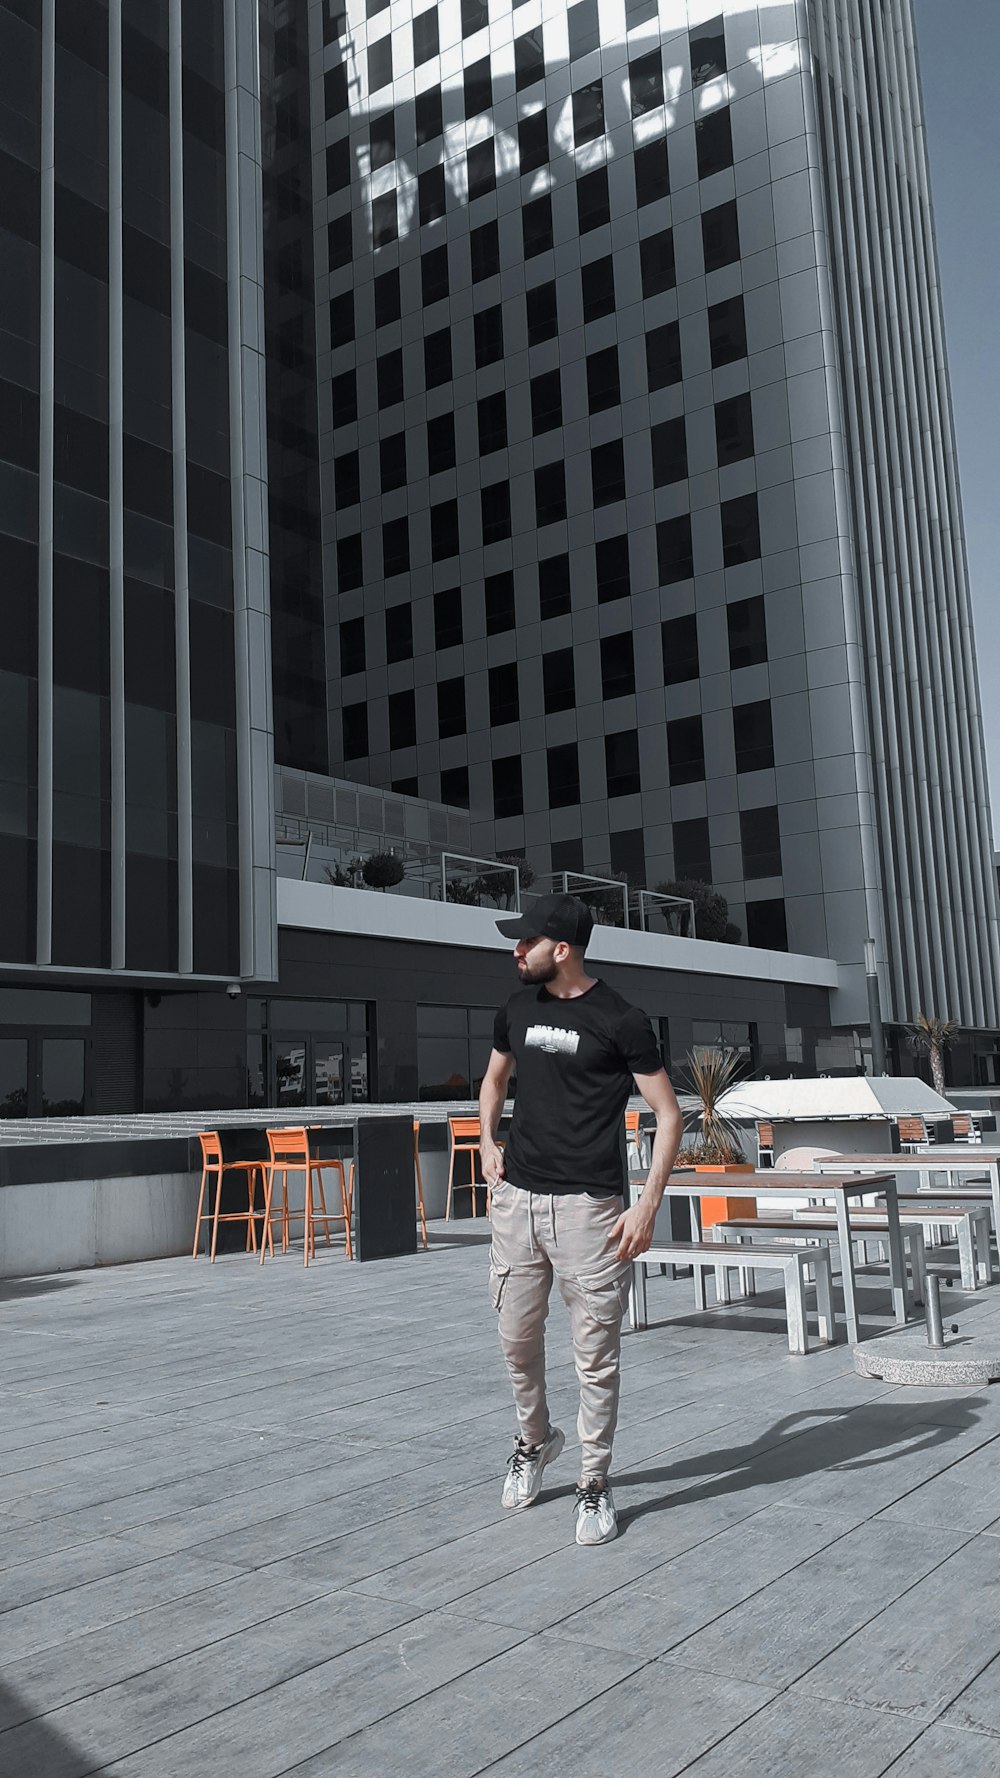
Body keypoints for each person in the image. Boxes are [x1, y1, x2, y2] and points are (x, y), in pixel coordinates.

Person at [479, 891, 683, 1545]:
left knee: (594, 1357)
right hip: (517, 1203)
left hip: (591, 1211)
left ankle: (594, 1483)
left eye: (526, 941)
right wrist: (486, 1140)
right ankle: (535, 1441)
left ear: (560, 949)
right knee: (516, 1341)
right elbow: (493, 1080)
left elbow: (669, 1114)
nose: (516, 950)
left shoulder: (620, 1019)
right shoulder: (515, 1008)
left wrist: (646, 1203)